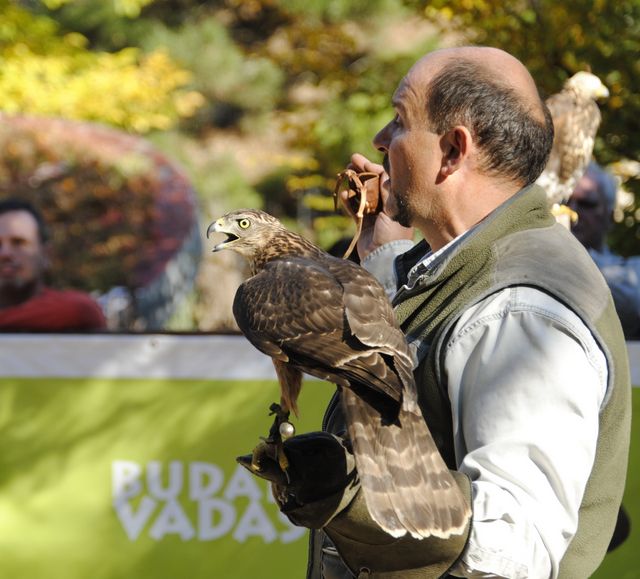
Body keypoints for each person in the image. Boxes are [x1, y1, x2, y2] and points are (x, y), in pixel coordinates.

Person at [259, 46, 631, 579]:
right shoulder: (465, 267)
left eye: (399, 120)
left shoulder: (518, 307)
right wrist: (385, 258)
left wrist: (354, 494)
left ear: (453, 150)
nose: (380, 140)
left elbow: (514, 547)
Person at [0, 198, 106, 331]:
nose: (5, 253)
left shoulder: (75, 311)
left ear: (46, 254)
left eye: (18, 242)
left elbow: (79, 310)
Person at [569, 162, 640, 339]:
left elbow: (630, 304)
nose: (573, 211)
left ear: (610, 216)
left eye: (586, 204)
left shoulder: (631, 273)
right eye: (565, 201)